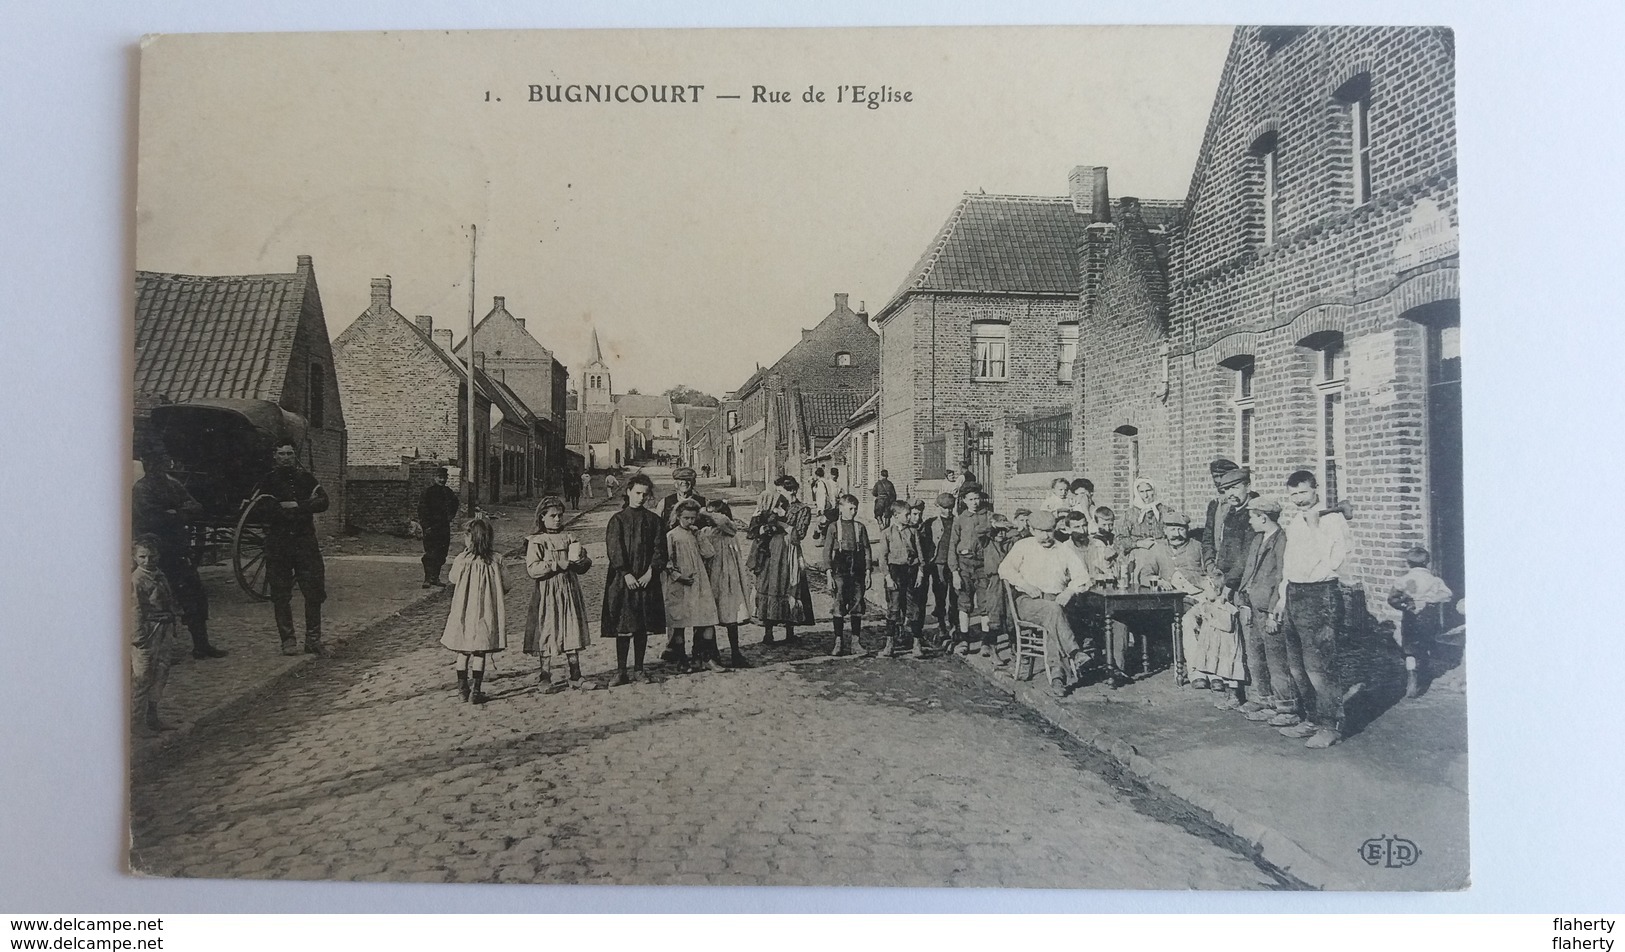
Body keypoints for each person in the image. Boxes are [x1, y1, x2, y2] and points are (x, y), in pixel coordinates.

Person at [1273, 470, 1353, 749]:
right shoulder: (1295, 521)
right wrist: (1283, 600)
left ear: (1316, 489)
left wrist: (1316, 527)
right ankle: (1310, 718)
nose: (1299, 499)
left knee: (1319, 666)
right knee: (1297, 667)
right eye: (1293, 494)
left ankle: (1330, 726)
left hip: (1320, 595)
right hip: (1295, 593)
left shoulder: (1333, 520)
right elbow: (1289, 565)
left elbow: (1334, 562)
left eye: (1303, 493)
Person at [132, 447, 226, 660]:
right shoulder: (141, 489)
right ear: (146, 465)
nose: (156, 467)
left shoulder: (174, 485)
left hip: (177, 550)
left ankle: (201, 645)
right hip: (154, 555)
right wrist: (174, 514)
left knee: (194, 595)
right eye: (151, 463)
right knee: (157, 603)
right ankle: (161, 651)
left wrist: (175, 512)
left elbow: (196, 506)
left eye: (161, 462)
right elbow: (149, 519)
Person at [998, 510, 1093, 697]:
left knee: (1053, 617)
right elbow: (1004, 569)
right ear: (1031, 530)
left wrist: (1069, 591)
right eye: (1041, 531)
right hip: (1028, 602)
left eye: (1049, 531)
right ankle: (1074, 653)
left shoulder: (1063, 549)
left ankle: (1058, 678)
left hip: (1055, 602)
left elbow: (1082, 577)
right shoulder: (1022, 546)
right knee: (1054, 612)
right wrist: (1024, 584)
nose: (1046, 536)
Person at [253, 440, 331, 657]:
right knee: (280, 593)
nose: (285, 457)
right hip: (278, 544)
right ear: (275, 456)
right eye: (281, 454)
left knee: (314, 590)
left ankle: (313, 640)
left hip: (305, 542)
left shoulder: (306, 479)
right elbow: (261, 507)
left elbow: (324, 501)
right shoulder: (267, 481)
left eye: (289, 454)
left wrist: (299, 506)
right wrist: (281, 510)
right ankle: (287, 640)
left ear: (294, 456)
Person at [523, 496, 595, 692]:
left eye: (560, 515)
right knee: (547, 631)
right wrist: (556, 565)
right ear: (542, 517)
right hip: (547, 592)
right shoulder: (537, 541)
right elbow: (533, 569)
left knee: (571, 630)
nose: (557, 519)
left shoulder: (570, 538)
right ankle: (545, 676)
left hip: (569, 590)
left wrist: (582, 560)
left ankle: (575, 675)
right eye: (553, 516)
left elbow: (584, 566)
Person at [602, 473, 667, 685]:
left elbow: (660, 549)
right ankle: (621, 670)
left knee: (641, 625)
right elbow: (614, 550)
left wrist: (652, 571)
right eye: (637, 493)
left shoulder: (654, 521)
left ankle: (639, 669)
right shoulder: (617, 520)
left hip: (647, 579)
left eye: (645, 494)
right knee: (623, 625)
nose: (640, 498)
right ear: (628, 492)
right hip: (623, 581)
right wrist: (626, 572)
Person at [440, 516, 507, 704]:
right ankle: (476, 691)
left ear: (471, 539)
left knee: (462, 652)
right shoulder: (496, 560)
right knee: (480, 652)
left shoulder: (462, 559)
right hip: (485, 614)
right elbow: (507, 584)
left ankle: (462, 689)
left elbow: (452, 578)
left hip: (464, 613)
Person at [1236, 496, 1288, 721]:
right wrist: (1243, 599)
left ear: (1263, 517)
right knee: (1256, 655)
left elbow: (1281, 578)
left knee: (1275, 658)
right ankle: (1264, 699)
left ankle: (1285, 706)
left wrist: (1274, 611)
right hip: (1252, 605)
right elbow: (1249, 572)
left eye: (1252, 517)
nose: (1249, 521)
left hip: (1269, 609)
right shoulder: (1258, 540)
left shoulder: (1281, 540)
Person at [750, 475, 814, 643]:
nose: (778, 495)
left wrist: (782, 520)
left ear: (792, 490)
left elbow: (799, 534)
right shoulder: (773, 505)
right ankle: (768, 632)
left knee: (789, 585)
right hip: (771, 550)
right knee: (769, 584)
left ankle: (789, 631)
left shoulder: (802, 509)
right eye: (777, 491)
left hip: (789, 551)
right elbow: (756, 528)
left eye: (781, 491)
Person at [1388, 545, 1454, 698]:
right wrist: (1430, 599)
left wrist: (1406, 605)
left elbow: (1392, 599)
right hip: (1428, 617)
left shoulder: (1403, 580)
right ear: (1428, 563)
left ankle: (1412, 677)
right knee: (1425, 645)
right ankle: (1424, 674)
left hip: (1410, 617)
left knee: (1409, 647)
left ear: (1408, 563)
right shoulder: (1435, 580)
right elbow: (1447, 595)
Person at [665, 499, 723, 673]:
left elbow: (709, 553)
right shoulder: (672, 535)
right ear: (678, 516)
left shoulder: (696, 534)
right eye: (686, 518)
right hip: (680, 585)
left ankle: (706, 658)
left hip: (699, 582)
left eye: (693, 518)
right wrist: (678, 576)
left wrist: (699, 536)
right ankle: (682, 660)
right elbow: (667, 561)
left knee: (706, 620)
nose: (690, 522)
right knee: (680, 623)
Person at [131, 536, 179, 734]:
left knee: (160, 672)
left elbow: (168, 599)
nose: (147, 561)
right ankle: (136, 723)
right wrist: (139, 639)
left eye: (152, 556)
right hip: (147, 631)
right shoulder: (136, 580)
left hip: (163, 628)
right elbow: (134, 610)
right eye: (142, 557)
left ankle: (153, 717)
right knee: (143, 676)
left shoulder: (159, 574)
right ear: (135, 558)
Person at [700, 499, 753, 669]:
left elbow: (723, 522)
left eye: (713, 513)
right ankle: (713, 654)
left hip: (729, 580)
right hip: (711, 578)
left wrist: (704, 511)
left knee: (731, 617)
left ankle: (736, 653)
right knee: (710, 617)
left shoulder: (729, 531)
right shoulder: (706, 532)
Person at [876, 499, 927, 659]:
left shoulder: (913, 532)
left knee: (915, 608)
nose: (909, 517)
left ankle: (916, 644)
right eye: (906, 515)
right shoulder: (886, 533)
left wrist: (920, 572)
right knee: (894, 608)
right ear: (896, 516)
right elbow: (882, 558)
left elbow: (920, 555)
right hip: (895, 572)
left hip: (911, 572)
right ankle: (890, 644)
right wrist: (887, 577)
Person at [823, 494, 873, 657]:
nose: (854, 511)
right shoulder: (833, 527)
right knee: (839, 604)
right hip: (840, 569)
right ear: (841, 508)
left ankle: (855, 642)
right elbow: (827, 551)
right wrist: (829, 573)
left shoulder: (860, 527)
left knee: (857, 604)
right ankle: (838, 642)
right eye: (850, 508)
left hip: (857, 570)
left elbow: (866, 550)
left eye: (855, 508)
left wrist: (867, 571)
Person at [1189, 568, 1246, 706]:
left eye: (1206, 590)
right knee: (1223, 670)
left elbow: (1227, 626)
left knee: (1229, 670)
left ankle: (1234, 697)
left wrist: (1209, 618)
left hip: (1228, 645)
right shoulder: (1212, 604)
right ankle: (1228, 697)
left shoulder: (1224, 606)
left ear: (1217, 590)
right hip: (1219, 644)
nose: (1205, 594)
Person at [948, 484, 992, 654]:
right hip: (964, 565)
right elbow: (953, 544)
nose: (974, 502)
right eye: (971, 499)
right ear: (964, 500)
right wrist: (954, 572)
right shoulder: (960, 518)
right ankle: (964, 640)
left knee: (985, 604)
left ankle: (986, 642)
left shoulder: (988, 516)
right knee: (964, 604)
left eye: (977, 498)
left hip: (982, 566)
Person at [1205, 466, 1259, 596]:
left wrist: (1229, 583)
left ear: (1248, 487)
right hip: (1227, 581)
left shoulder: (1254, 514)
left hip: (1242, 584)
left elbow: (1247, 555)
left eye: (1235, 488)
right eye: (1227, 489)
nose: (1230, 494)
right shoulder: (1231, 512)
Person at [974, 513, 1017, 660]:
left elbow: (1017, 533)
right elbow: (979, 531)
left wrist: (1010, 526)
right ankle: (992, 648)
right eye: (998, 531)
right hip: (995, 581)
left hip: (1010, 581)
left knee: (1012, 615)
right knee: (995, 614)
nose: (1001, 534)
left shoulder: (1010, 542)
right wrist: (994, 525)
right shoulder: (987, 541)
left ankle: (1014, 646)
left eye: (1003, 530)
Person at [919, 492, 959, 648]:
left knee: (955, 597)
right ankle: (942, 625)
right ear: (938, 507)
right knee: (940, 595)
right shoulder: (931, 523)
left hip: (954, 564)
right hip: (939, 564)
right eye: (945, 508)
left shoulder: (958, 522)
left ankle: (955, 626)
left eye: (950, 508)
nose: (948, 511)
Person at [416, 467, 460, 588]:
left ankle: (435, 577)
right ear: (434, 477)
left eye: (444, 478)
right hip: (431, 527)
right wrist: (426, 526)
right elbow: (422, 510)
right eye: (440, 477)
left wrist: (450, 517)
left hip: (443, 527)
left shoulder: (448, 492)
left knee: (442, 553)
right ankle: (427, 578)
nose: (442, 480)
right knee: (430, 553)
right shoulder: (428, 492)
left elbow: (455, 504)